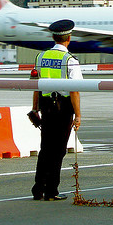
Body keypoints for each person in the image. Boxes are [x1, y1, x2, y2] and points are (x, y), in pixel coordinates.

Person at [30, 19, 82, 201]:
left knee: (45, 148)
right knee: (58, 150)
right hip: (63, 108)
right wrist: (78, 115)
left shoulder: (41, 57)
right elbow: (74, 90)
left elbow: (36, 86)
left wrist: (35, 108)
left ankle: (38, 188)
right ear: (69, 38)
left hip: (45, 106)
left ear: (53, 37)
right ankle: (51, 191)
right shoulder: (70, 60)